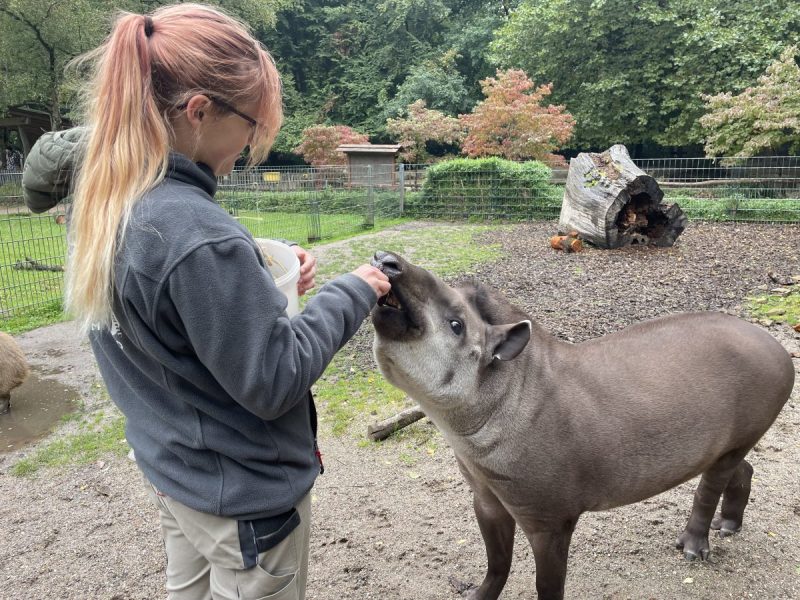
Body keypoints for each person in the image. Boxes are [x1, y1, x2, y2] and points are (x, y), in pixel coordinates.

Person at [28, 4, 391, 600]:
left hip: (177, 472)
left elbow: (172, 312)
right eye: (252, 125)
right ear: (199, 112)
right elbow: (274, 381)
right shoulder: (196, 234)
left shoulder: (105, 198)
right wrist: (354, 290)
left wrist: (252, 283)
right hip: (243, 499)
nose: (255, 145)